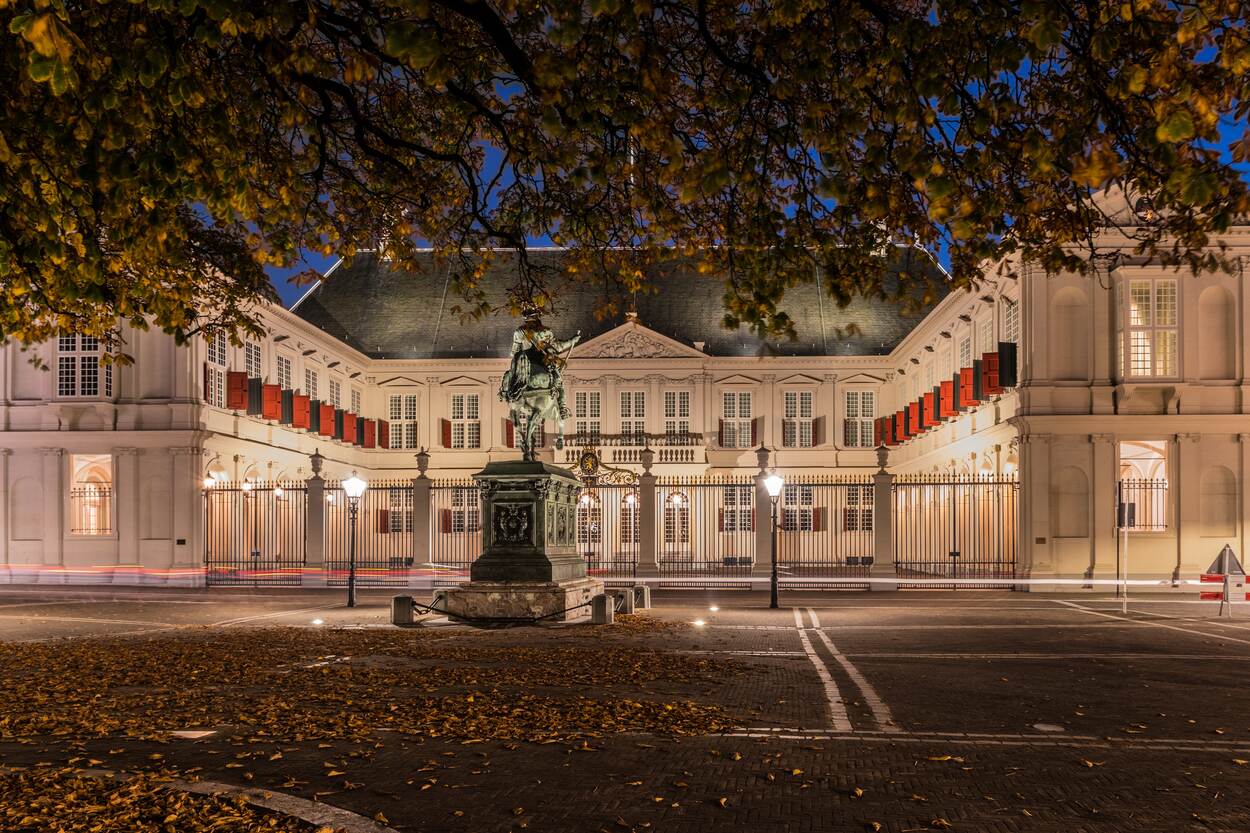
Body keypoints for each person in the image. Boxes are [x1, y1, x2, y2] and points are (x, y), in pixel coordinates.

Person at [499, 309, 580, 418]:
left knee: (508, 376)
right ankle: (562, 408)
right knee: (559, 381)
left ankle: (505, 395)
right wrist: (572, 341)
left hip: (525, 365)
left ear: (526, 319)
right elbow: (558, 347)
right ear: (537, 318)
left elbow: (515, 351)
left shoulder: (519, 332)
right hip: (543, 363)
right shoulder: (546, 331)